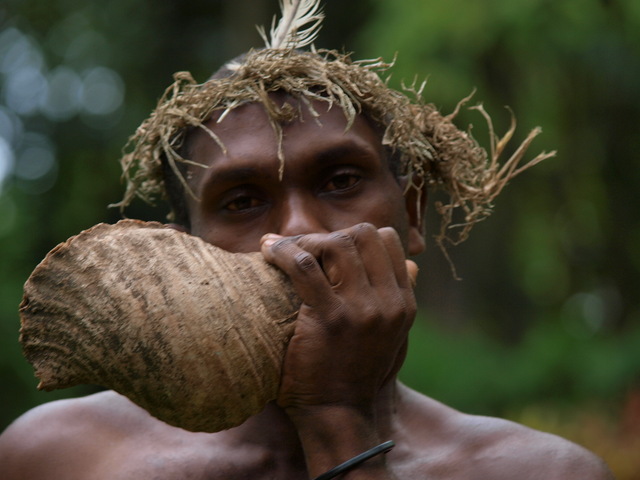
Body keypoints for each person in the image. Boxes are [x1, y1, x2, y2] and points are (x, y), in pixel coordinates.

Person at [0, 2, 614, 479]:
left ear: (413, 214)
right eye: (242, 201)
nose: (298, 232)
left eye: (341, 180)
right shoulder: (60, 457)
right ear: (186, 249)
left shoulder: (539, 471)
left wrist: (337, 418)